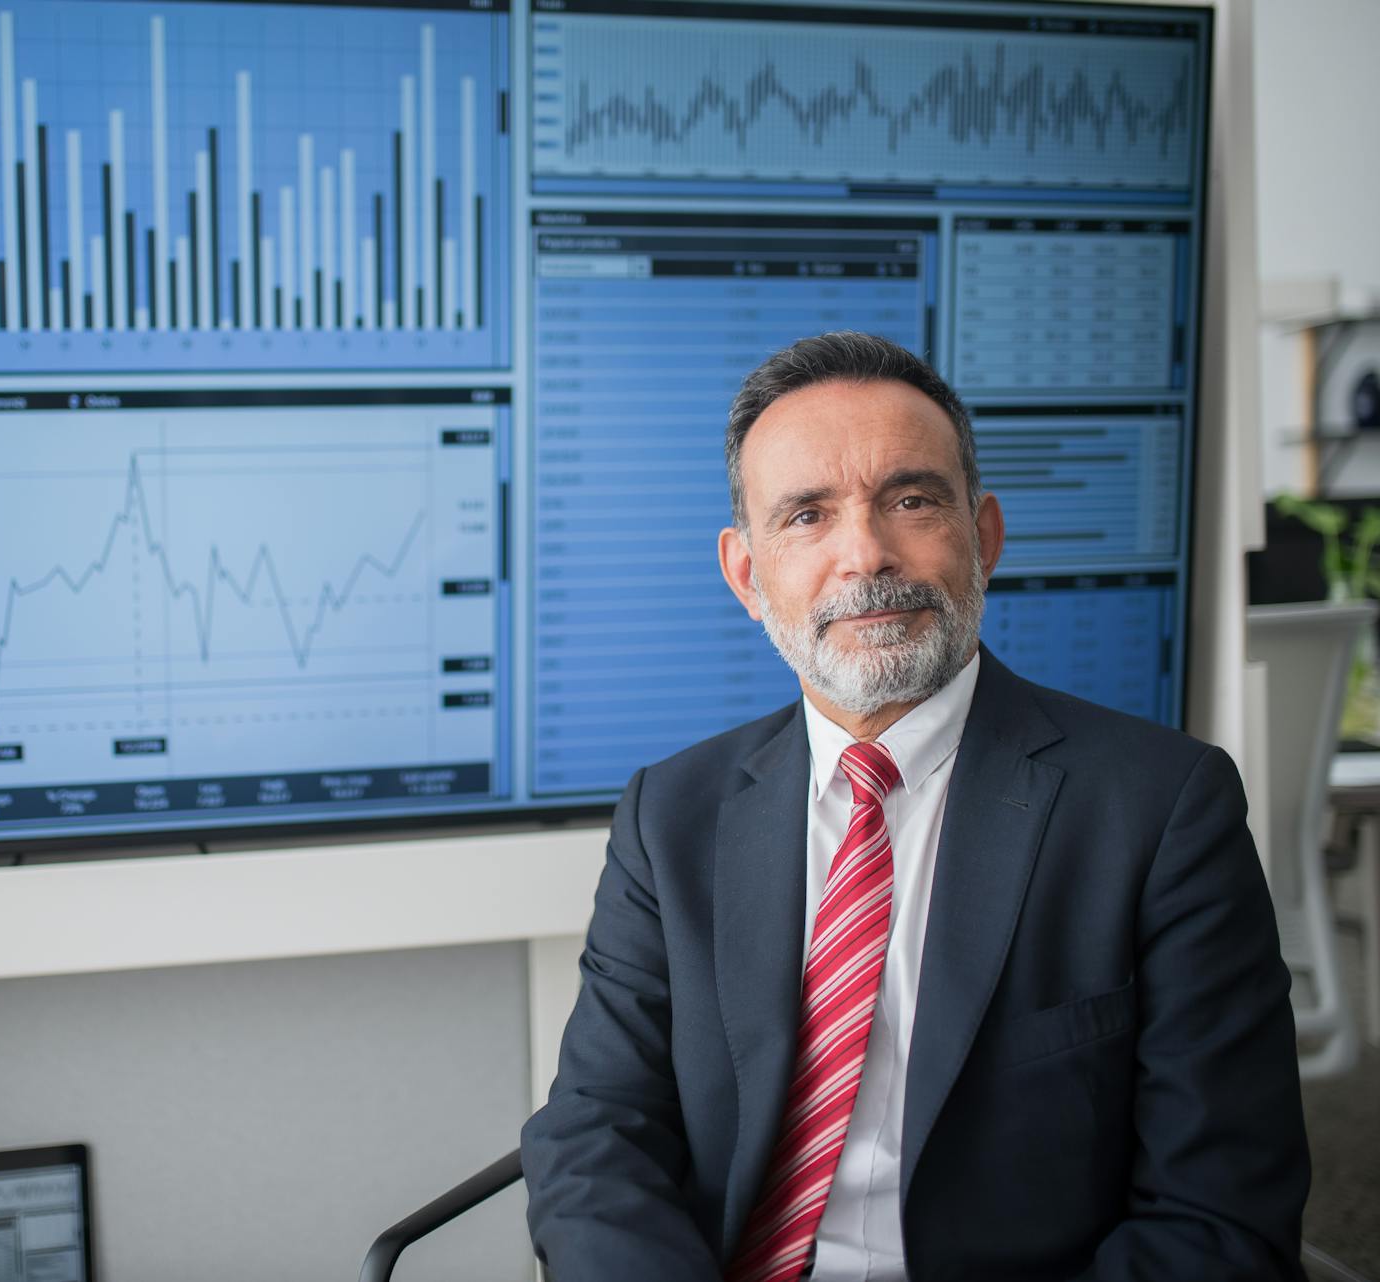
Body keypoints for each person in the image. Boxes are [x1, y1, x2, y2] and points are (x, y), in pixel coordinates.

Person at [519, 332, 1308, 1282]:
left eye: (910, 499)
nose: (866, 555)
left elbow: (1216, 1214)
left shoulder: (1162, 809)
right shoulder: (671, 814)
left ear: (984, 536)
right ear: (746, 574)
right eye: (807, 516)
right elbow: (596, 1137)